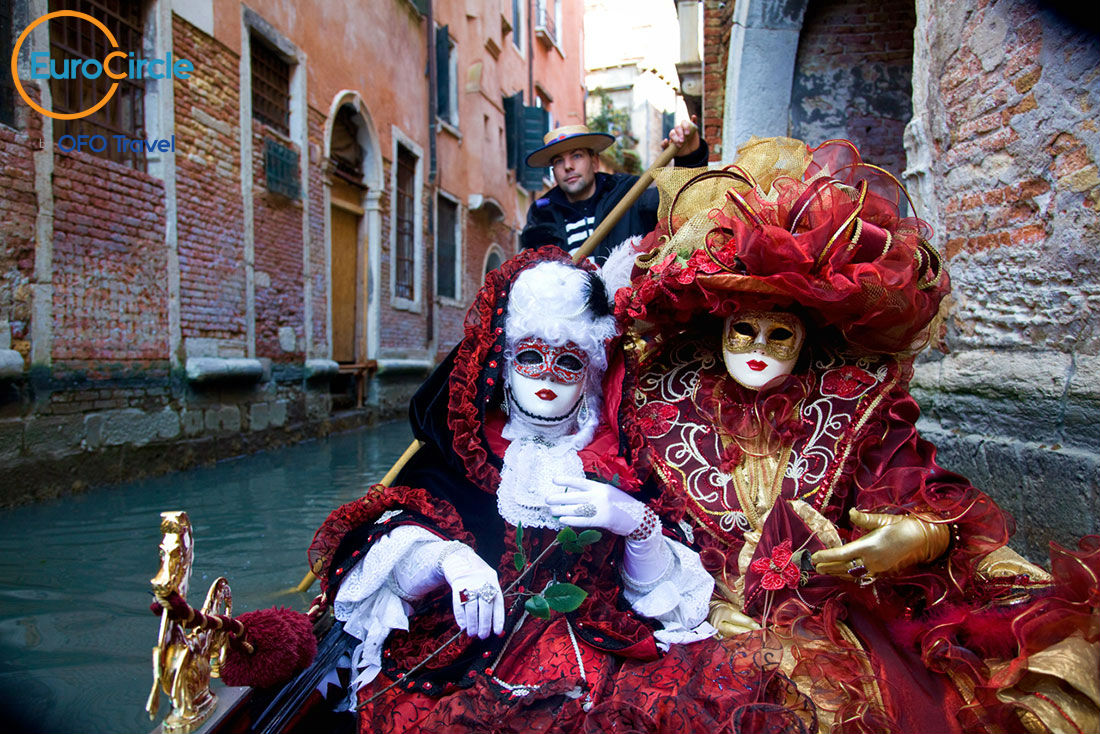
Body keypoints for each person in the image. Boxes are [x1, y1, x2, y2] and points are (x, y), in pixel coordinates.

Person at [618, 137, 1100, 734]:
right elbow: (636, 516)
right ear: (716, 329)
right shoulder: (658, 402)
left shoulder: (853, 399)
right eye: (744, 330)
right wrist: (693, 599)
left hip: (837, 609)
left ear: (808, 335)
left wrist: (914, 535)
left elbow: (915, 486)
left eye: (781, 333)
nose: (761, 350)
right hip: (698, 620)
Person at [305, 248, 767, 733]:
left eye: (567, 361)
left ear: (590, 371)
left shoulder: (623, 459)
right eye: (529, 356)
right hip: (469, 655)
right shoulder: (463, 456)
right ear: (503, 366)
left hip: (604, 647)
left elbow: (667, 600)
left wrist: (636, 522)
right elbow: (389, 545)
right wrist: (447, 560)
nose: (546, 374)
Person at [519, 119, 709, 264]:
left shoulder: (631, 193)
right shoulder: (541, 216)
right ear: (553, 171)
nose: (568, 166)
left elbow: (682, 207)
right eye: (558, 161)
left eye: (576, 155)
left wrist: (690, 158)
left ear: (594, 162)